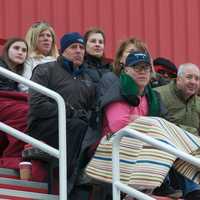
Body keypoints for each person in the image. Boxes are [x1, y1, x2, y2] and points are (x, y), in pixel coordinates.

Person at [86, 52, 200, 200]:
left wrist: (141, 120)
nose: (142, 72)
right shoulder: (118, 90)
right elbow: (118, 126)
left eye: (146, 68)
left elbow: (167, 123)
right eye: (137, 68)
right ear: (126, 70)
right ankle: (154, 186)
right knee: (158, 133)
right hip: (112, 149)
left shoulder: (152, 96)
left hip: (142, 149)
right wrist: (147, 122)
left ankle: (193, 190)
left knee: (175, 139)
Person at [28, 32, 95, 199]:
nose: (79, 51)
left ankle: (77, 179)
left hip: (75, 132)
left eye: (81, 47)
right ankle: (69, 180)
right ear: (62, 50)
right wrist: (69, 111)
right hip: (44, 127)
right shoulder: (45, 70)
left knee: (91, 131)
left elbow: (92, 110)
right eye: (73, 47)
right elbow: (37, 105)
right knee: (77, 126)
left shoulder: (88, 80)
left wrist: (81, 116)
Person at [155, 63, 200, 136]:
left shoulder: (198, 102)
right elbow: (156, 125)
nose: (193, 82)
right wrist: (192, 132)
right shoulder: (158, 95)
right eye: (189, 77)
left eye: (197, 79)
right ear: (178, 79)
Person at [19, 21, 59, 91]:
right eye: (41, 35)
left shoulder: (59, 60)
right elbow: (24, 86)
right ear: (32, 39)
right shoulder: (28, 59)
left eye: (49, 36)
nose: (46, 38)